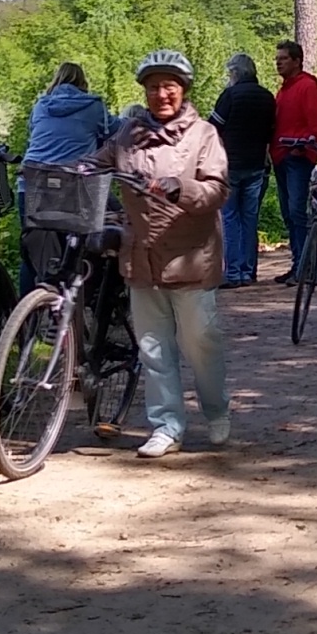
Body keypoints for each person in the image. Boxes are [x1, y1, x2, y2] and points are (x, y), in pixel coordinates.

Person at [102, 50, 232, 458]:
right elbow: (97, 161)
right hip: (141, 258)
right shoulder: (127, 134)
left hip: (191, 258)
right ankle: (167, 426)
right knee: (154, 349)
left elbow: (217, 190)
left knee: (201, 343)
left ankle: (216, 411)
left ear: (183, 90)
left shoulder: (204, 135)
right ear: (144, 90)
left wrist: (181, 187)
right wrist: (60, 168)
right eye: (154, 87)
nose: (161, 94)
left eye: (169, 87)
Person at [19, 60, 112, 284]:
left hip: (31, 183)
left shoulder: (40, 105)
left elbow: (35, 136)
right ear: (83, 82)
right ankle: (79, 306)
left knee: (33, 252)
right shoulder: (94, 105)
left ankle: (24, 313)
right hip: (73, 187)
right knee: (82, 251)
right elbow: (112, 133)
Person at [210, 53, 278, 287]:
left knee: (230, 217)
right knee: (250, 218)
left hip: (231, 165)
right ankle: (249, 272)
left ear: (236, 73)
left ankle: (234, 273)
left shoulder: (230, 95)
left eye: (230, 73)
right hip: (257, 165)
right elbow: (271, 130)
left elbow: (212, 127)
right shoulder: (268, 97)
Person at [269, 40, 317, 282]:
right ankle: (298, 265)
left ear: (297, 61)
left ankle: (306, 267)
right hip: (281, 157)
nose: (278, 62)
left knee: (297, 212)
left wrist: (300, 148)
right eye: (277, 58)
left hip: (297, 158)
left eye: (283, 58)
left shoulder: (306, 88)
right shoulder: (283, 91)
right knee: (288, 213)